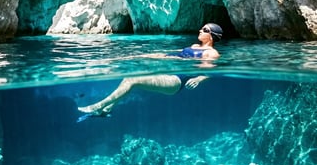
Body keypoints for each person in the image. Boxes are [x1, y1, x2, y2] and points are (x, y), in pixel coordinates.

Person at [77, 23, 223, 119]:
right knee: (129, 78)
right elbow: (173, 54)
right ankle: (107, 109)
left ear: (211, 35)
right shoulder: (194, 46)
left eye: (204, 30)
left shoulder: (212, 53)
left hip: (176, 81)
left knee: (132, 80)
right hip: (168, 73)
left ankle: (97, 106)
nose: (199, 30)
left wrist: (199, 78)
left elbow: (211, 71)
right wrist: (146, 55)